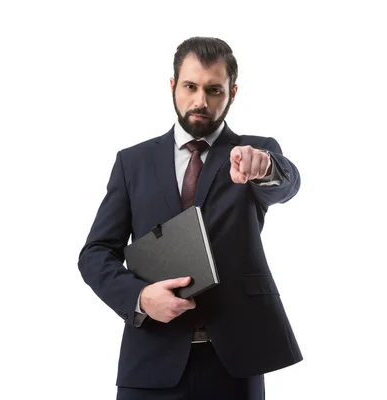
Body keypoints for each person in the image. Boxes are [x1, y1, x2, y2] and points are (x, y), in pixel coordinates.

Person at [78, 36, 303, 399]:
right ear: (173, 86)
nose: (201, 101)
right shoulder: (132, 163)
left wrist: (266, 166)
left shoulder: (253, 152)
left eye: (214, 89)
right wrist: (139, 297)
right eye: (190, 86)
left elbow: (286, 183)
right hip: (151, 360)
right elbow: (95, 253)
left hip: (234, 362)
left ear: (232, 92)